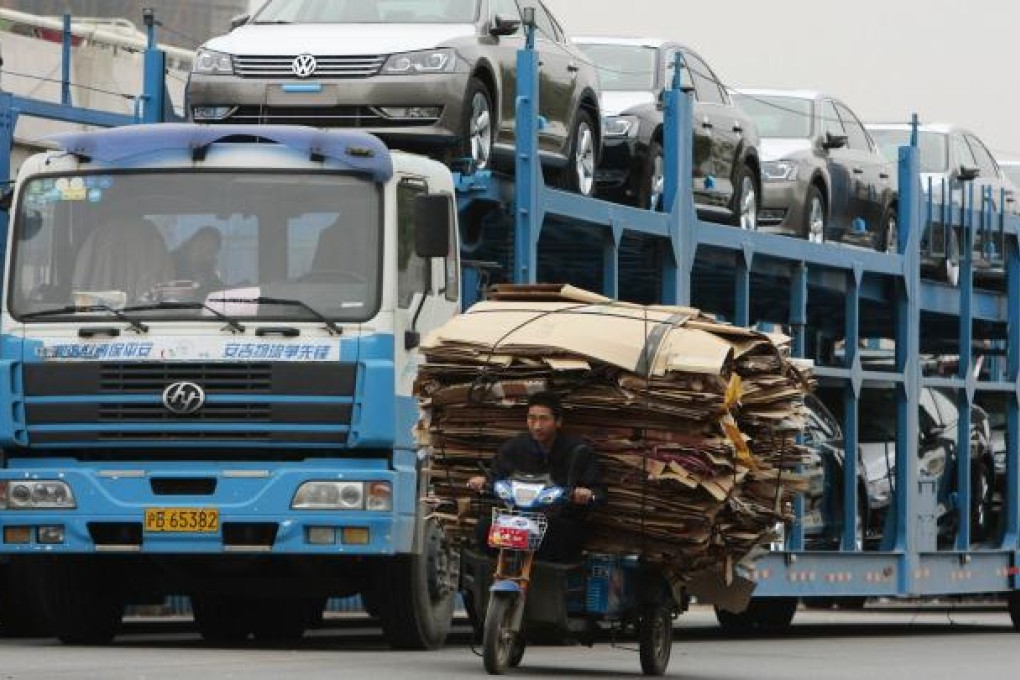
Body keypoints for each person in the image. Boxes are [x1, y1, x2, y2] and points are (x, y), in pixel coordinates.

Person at [468, 391, 605, 562]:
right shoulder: (514, 448)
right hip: (520, 519)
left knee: (556, 533)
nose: (537, 426)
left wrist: (585, 494)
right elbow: (496, 477)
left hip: (559, 522)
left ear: (558, 421)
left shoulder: (578, 451)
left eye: (543, 419)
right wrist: (484, 482)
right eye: (531, 418)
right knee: (484, 529)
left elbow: (598, 492)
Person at [171, 226, 223, 296]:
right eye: (201, 245)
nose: (202, 253)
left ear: (213, 256)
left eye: (209, 251)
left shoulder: (212, 280)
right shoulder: (168, 265)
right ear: (191, 243)